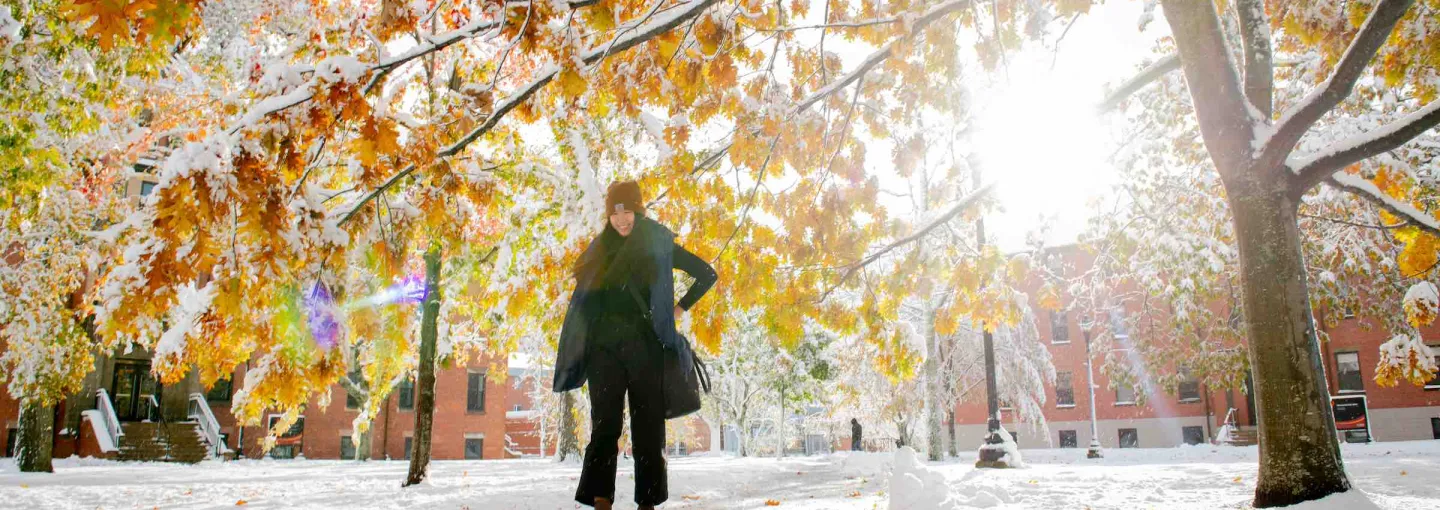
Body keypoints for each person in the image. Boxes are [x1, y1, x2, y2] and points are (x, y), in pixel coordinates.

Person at [552, 180, 718, 510]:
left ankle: (647, 504)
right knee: (604, 429)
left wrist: (680, 306)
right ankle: (601, 502)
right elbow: (583, 302)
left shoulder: (659, 242)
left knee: (648, 431)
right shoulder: (598, 250)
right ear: (608, 216)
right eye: (615, 214)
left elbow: (707, 273)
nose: (622, 220)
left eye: (628, 211)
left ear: (638, 210)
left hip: (647, 351)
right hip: (604, 353)